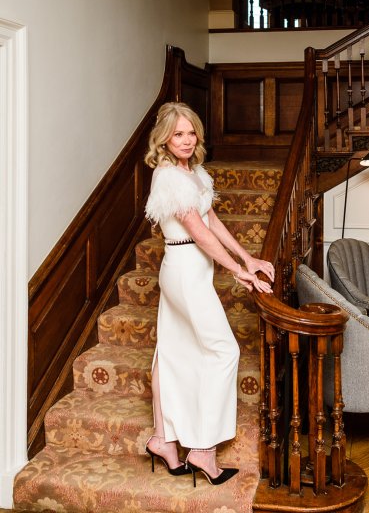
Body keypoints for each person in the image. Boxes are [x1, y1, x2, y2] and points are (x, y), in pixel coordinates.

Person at [144, 102, 275, 486]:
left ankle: (163, 440)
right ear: (164, 139)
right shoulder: (168, 177)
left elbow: (211, 219)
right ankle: (201, 448)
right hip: (184, 267)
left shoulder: (194, 171)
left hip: (192, 268)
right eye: (177, 134)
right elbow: (197, 232)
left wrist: (247, 257)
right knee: (224, 350)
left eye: (191, 132)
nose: (186, 140)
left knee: (170, 351)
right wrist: (238, 272)